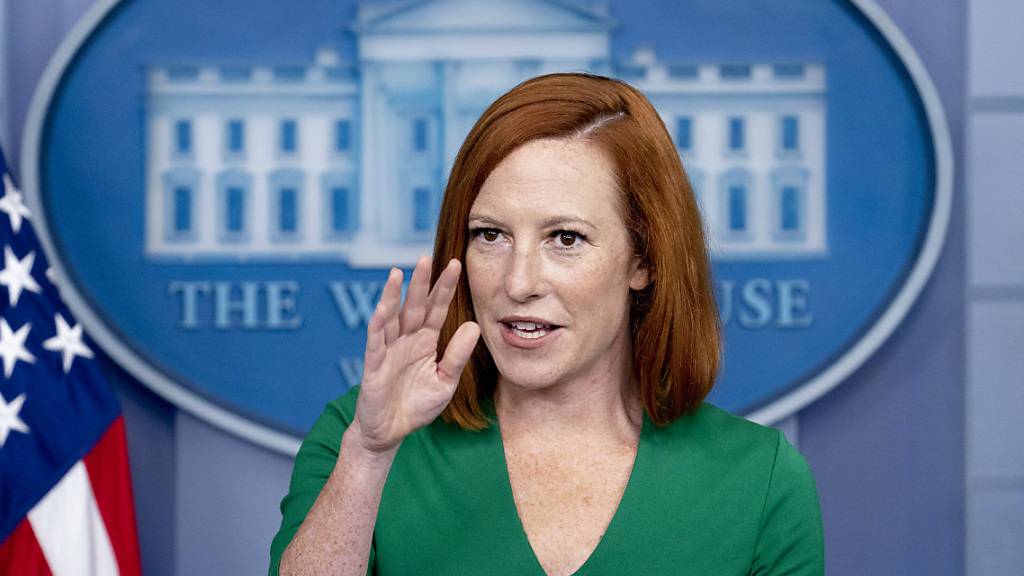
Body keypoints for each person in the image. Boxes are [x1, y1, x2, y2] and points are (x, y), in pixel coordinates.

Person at [269, 72, 824, 576]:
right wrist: (367, 459)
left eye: (566, 239)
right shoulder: (359, 434)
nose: (517, 282)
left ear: (644, 259)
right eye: (491, 234)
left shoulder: (761, 478)